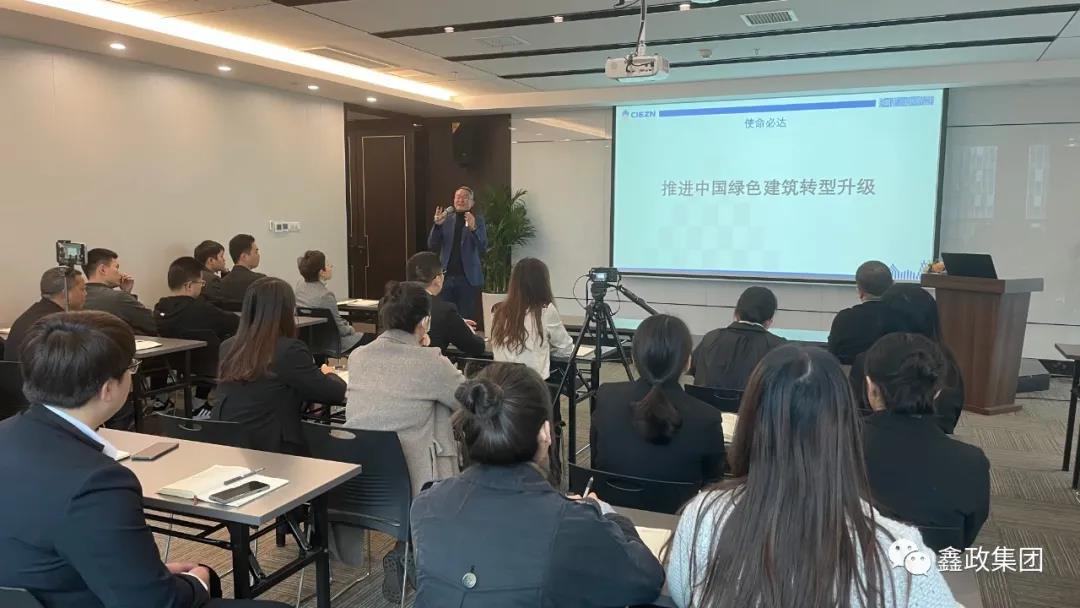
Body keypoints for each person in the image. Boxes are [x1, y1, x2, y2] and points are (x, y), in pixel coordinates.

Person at [0, 311, 287, 608]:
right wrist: (197, 581)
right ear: (108, 389)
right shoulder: (97, 482)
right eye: (131, 368)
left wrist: (146, 574)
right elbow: (153, 603)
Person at [666, 345, 955, 608]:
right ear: (845, 425)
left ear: (752, 419)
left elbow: (683, 596)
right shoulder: (898, 548)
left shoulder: (703, 514)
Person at [411, 363, 665, 607]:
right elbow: (647, 579)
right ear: (544, 432)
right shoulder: (574, 526)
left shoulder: (426, 504)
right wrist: (607, 514)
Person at [861, 333, 990, 551]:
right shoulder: (972, 463)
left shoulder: (833, 446)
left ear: (871, 388)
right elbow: (965, 538)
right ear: (937, 392)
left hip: (844, 564)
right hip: (933, 566)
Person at [345, 281, 464, 496]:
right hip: (413, 476)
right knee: (441, 404)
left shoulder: (357, 356)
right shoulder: (432, 362)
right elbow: (467, 399)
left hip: (361, 475)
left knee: (434, 401)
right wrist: (426, 352)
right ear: (425, 321)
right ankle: (443, 498)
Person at [591, 314, 726, 487]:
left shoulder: (606, 397)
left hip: (610, 502)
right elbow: (713, 486)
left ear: (634, 358)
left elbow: (597, 461)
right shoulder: (707, 417)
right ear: (687, 362)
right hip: (680, 505)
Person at [214, 278, 345, 454]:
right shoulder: (289, 350)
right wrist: (328, 373)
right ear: (287, 311)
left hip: (225, 442)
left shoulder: (228, 346)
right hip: (272, 447)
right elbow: (334, 393)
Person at [850, 283, 965, 434]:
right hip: (933, 441)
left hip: (871, 439)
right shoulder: (947, 365)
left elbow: (855, 413)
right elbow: (948, 420)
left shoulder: (866, 361)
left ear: (883, 318)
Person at [490, 258, 573, 380]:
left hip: (501, 382)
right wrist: (545, 349)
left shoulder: (497, 311)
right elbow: (565, 348)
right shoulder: (545, 310)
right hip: (532, 385)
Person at [690, 286, 784, 390]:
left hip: (705, 401)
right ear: (769, 321)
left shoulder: (711, 338)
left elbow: (695, 370)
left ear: (736, 313)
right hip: (754, 401)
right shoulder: (780, 349)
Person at [406, 251, 485, 357]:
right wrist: (465, 330)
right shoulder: (444, 311)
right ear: (438, 279)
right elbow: (476, 347)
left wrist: (457, 321)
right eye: (443, 272)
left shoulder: (391, 304)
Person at [428, 186, 487, 321]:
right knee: (444, 317)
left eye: (465, 197)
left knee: (466, 319)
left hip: (467, 279)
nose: (460, 200)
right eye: (458, 197)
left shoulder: (477, 220)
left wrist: (473, 229)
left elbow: (483, 247)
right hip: (446, 278)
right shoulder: (446, 219)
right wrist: (437, 226)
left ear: (472, 203)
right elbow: (432, 245)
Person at [4, 267, 86, 362]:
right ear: (65, 293)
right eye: (82, 289)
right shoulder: (58, 324)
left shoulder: (30, 314)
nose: (86, 293)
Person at [154, 257, 239, 343]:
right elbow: (237, 322)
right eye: (201, 283)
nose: (202, 286)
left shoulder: (160, 309)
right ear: (189, 286)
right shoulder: (203, 309)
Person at [293, 250, 363, 354]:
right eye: (327, 264)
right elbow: (340, 329)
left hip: (310, 341)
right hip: (332, 342)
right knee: (369, 338)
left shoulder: (299, 287)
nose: (331, 266)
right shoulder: (326, 296)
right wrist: (351, 329)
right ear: (321, 272)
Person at [829, 260, 895, 364]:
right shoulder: (902, 317)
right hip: (888, 373)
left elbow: (832, 354)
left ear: (859, 290)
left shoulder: (844, 318)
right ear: (892, 285)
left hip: (848, 373)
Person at [82, 248, 157, 335]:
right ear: (102, 269)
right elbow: (152, 324)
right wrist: (127, 295)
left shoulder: (77, 297)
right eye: (116, 267)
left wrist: (126, 293)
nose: (120, 273)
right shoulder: (119, 298)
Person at [218, 234, 265, 310]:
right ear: (244, 256)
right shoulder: (261, 281)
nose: (258, 255)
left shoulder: (221, 283)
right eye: (256, 252)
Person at [194, 240, 229, 308]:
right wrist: (226, 273)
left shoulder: (195, 275)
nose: (224, 260)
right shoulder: (213, 280)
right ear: (211, 260)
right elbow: (223, 303)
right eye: (221, 256)